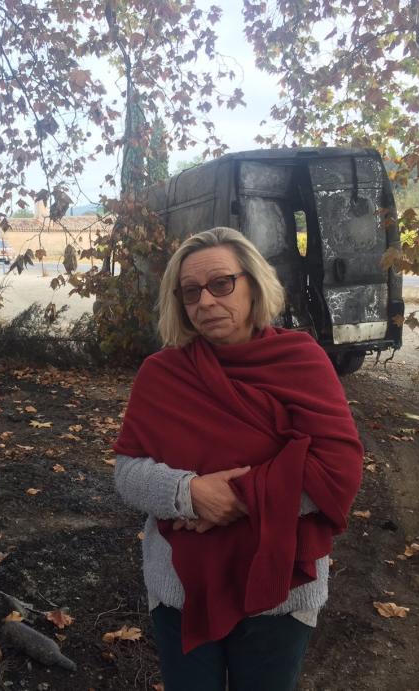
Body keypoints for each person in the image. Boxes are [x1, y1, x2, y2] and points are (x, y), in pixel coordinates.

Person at [113, 227, 363, 691]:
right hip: (181, 586)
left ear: (252, 283)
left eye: (221, 284)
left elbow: (340, 470)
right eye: (191, 292)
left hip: (281, 590)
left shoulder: (301, 360)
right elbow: (127, 473)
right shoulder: (162, 374)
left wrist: (234, 498)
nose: (206, 302)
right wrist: (186, 493)